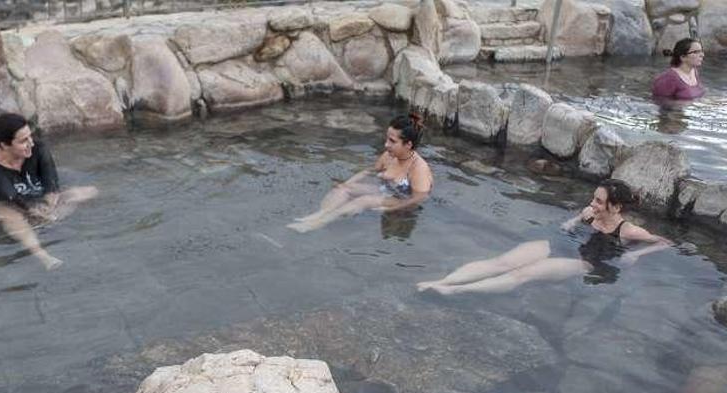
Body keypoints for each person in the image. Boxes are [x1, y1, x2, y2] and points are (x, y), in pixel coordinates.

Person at [417, 179, 671, 295]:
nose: (592, 203)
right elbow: (565, 228)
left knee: (520, 275)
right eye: (593, 197)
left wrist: (636, 254)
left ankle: (458, 290)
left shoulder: (628, 230)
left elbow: (665, 243)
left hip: (584, 260)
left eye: (599, 201)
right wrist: (576, 219)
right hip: (559, 244)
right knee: (501, 262)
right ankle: (444, 280)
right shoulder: (588, 213)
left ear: (616, 208)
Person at [0, 113, 98, 270]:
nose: (31, 143)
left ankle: (50, 225)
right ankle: (44, 256)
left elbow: (51, 182)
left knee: (88, 191)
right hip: (5, 204)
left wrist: (49, 204)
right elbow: (13, 198)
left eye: (30, 137)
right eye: (23, 141)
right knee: (14, 219)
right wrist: (36, 212)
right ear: (4, 145)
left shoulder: (38, 148)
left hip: (37, 200)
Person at [287, 113, 434, 233]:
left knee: (365, 200)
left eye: (392, 141)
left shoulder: (418, 169)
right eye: (387, 139)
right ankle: (318, 215)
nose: (386, 144)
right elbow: (369, 171)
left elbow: (418, 199)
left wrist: (392, 208)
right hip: (385, 189)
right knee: (344, 189)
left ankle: (321, 222)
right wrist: (347, 183)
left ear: (408, 145)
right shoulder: (389, 156)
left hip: (402, 199)